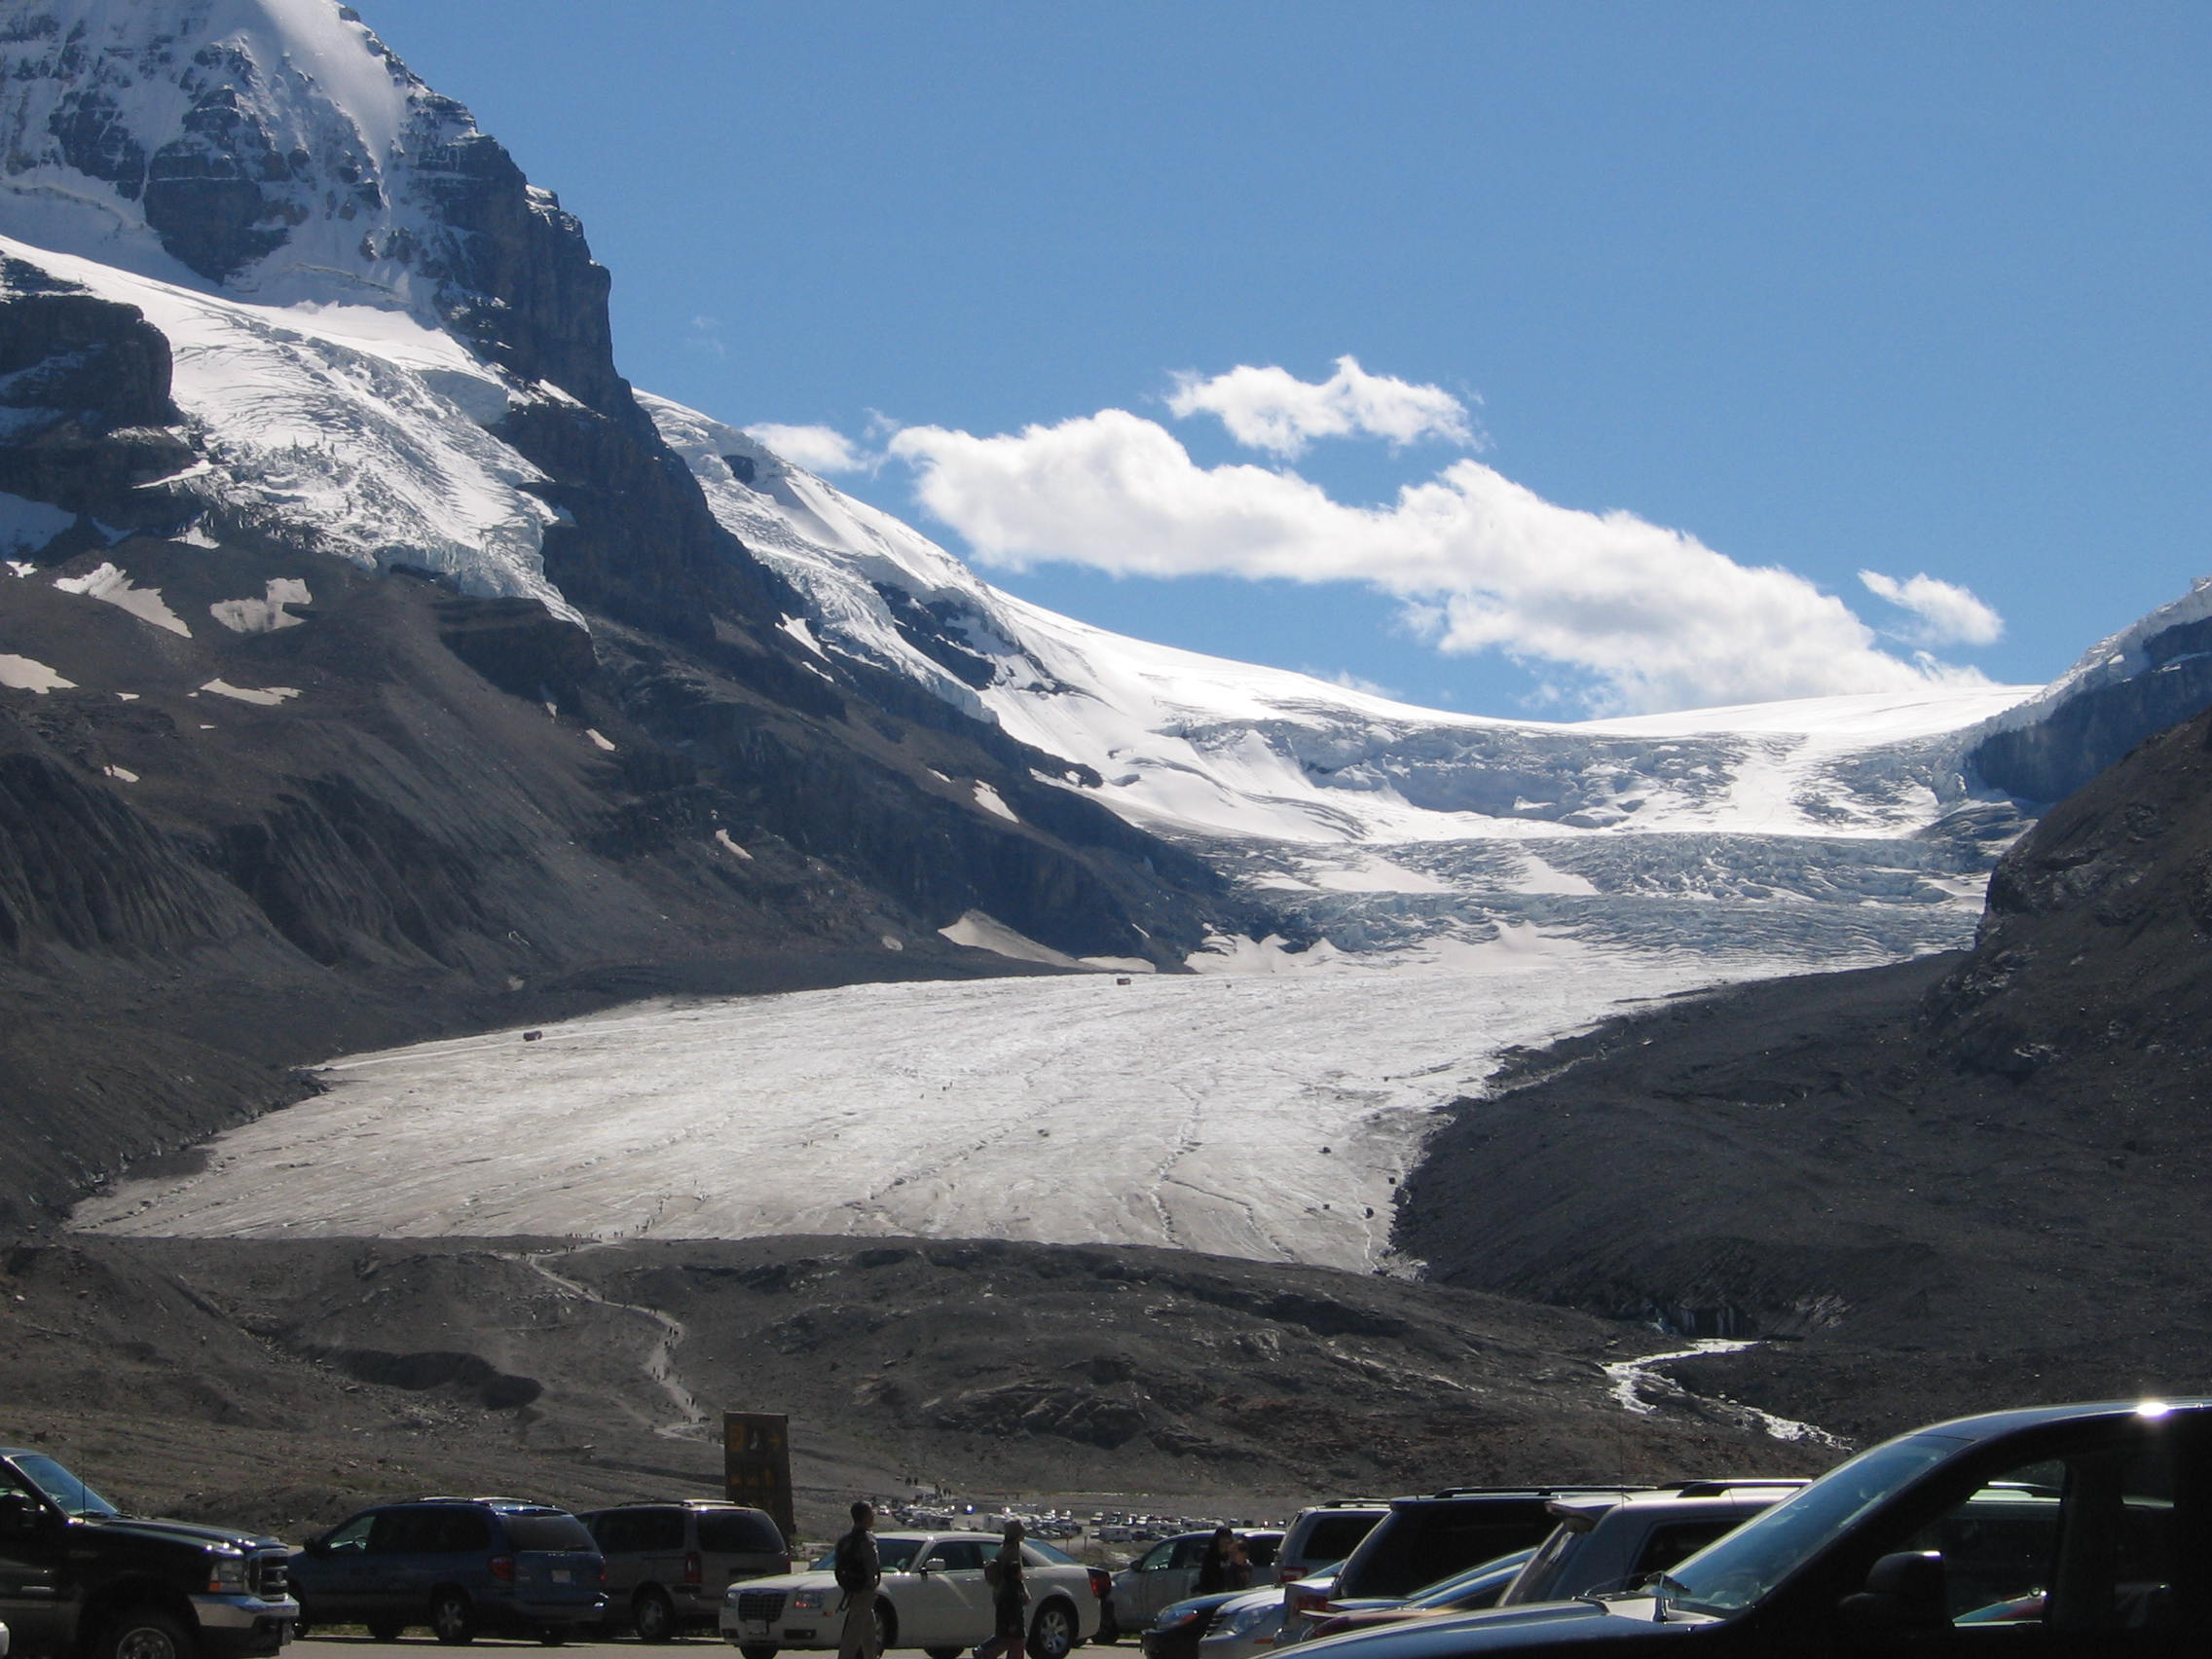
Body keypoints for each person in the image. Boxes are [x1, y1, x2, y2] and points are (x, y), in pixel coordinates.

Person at [832, 1500, 881, 1659]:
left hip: (852, 1588)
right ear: (866, 1517)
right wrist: (871, 1583)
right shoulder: (868, 1539)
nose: (873, 1517)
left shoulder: (845, 1540)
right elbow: (872, 1565)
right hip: (864, 1590)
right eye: (871, 1513)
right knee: (854, 1631)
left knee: (869, 1630)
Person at [977, 1520, 1029, 1659]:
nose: (1023, 1535)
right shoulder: (1012, 1550)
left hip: (1002, 1597)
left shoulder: (1004, 1548)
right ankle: (984, 1652)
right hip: (1010, 1598)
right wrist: (1023, 1593)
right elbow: (1013, 1574)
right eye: (1021, 1532)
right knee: (1016, 1638)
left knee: (1007, 1636)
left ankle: (983, 1651)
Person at [1195, 1528, 1248, 1595]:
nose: (1226, 1542)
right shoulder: (1210, 1557)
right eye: (1224, 1539)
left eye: (1228, 1539)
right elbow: (1208, 1577)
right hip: (1212, 1592)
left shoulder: (1231, 1556)